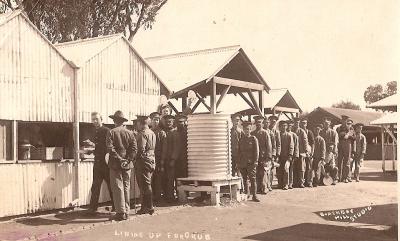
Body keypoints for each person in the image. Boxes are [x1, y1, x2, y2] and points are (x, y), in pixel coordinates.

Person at [106, 110, 137, 221]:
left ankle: (120, 212)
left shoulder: (111, 132)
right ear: (123, 122)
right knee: (126, 186)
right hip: (127, 164)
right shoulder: (130, 133)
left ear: (114, 121)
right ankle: (127, 211)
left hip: (115, 163)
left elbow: (110, 149)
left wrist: (119, 159)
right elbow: (134, 149)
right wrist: (127, 160)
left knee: (117, 187)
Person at [87, 112, 114, 214]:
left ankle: (116, 206)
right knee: (95, 187)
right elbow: (98, 147)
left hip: (106, 164)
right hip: (97, 164)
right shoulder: (94, 131)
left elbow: (108, 147)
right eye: (93, 119)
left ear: (101, 119)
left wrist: (95, 147)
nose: (94, 121)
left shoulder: (107, 131)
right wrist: (91, 149)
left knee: (111, 186)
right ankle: (93, 208)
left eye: (96, 119)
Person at [135, 115, 157, 215]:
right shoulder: (152, 133)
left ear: (140, 123)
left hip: (143, 161)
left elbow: (140, 150)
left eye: (137, 123)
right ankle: (146, 206)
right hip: (151, 159)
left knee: (144, 185)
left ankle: (149, 206)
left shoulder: (142, 134)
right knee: (147, 183)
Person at [238, 121, 260, 202]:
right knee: (244, 179)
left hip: (251, 163)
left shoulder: (254, 139)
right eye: (245, 129)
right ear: (243, 130)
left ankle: (254, 195)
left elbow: (256, 151)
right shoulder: (241, 139)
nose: (247, 131)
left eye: (248, 129)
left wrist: (255, 162)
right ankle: (247, 194)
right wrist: (239, 163)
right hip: (243, 163)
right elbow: (239, 152)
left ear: (250, 129)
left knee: (253, 179)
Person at [252, 116, 273, 195]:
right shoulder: (253, 133)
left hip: (263, 156)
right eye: (257, 123)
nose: (258, 124)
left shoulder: (265, 133)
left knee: (264, 172)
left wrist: (268, 156)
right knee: (256, 172)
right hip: (255, 156)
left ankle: (264, 188)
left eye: (260, 122)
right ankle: (257, 188)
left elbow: (269, 145)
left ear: (262, 123)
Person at [150, 112, 167, 203]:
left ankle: (158, 198)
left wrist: (162, 161)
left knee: (158, 180)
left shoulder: (162, 133)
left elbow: (164, 149)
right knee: (150, 179)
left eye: (157, 120)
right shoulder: (149, 131)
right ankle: (151, 198)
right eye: (154, 120)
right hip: (149, 159)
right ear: (151, 121)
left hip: (158, 159)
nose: (155, 122)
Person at [162, 114, 179, 203]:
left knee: (171, 179)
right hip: (165, 160)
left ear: (173, 123)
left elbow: (176, 148)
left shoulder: (175, 133)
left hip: (171, 160)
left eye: (170, 122)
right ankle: (166, 195)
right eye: (166, 122)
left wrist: (173, 159)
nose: (168, 123)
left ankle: (171, 196)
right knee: (165, 178)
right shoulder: (164, 132)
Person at [337, 115, 355, 183]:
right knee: (339, 161)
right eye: (343, 120)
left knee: (347, 162)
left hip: (348, 144)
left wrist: (349, 135)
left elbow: (354, 138)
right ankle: (338, 177)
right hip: (340, 145)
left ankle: (346, 177)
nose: (344, 122)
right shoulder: (339, 128)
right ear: (341, 121)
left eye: (346, 120)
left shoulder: (351, 128)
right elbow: (338, 135)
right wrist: (345, 134)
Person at [278, 121, 294, 190]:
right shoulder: (278, 135)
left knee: (286, 170)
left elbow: (291, 146)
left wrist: (290, 155)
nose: (283, 127)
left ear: (287, 127)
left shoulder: (289, 135)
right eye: (282, 126)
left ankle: (286, 184)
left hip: (286, 156)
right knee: (279, 170)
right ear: (280, 127)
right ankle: (280, 183)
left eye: (285, 126)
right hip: (279, 156)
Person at [300, 118, 314, 187]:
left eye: (305, 123)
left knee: (309, 167)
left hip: (308, 151)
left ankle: (309, 182)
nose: (303, 124)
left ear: (306, 124)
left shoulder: (309, 132)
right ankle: (301, 182)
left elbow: (312, 143)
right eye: (302, 123)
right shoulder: (299, 131)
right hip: (301, 151)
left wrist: (312, 152)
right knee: (302, 167)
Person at [267, 115, 281, 191]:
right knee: (266, 169)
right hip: (266, 153)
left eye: (274, 122)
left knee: (272, 169)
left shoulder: (277, 132)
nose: (273, 123)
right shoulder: (266, 130)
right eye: (272, 121)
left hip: (273, 153)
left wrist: (276, 154)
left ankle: (270, 185)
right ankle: (266, 185)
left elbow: (278, 144)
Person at [175, 114, 188, 179]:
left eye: (181, 122)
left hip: (186, 154)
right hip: (177, 155)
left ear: (185, 122)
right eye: (178, 122)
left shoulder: (188, 131)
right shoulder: (174, 132)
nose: (179, 124)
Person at [288, 120, 299, 189]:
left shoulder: (294, 135)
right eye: (288, 126)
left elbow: (296, 146)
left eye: (290, 126)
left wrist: (296, 155)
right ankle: (282, 183)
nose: (289, 127)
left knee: (291, 169)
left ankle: (290, 183)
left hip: (291, 155)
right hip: (284, 154)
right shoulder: (282, 133)